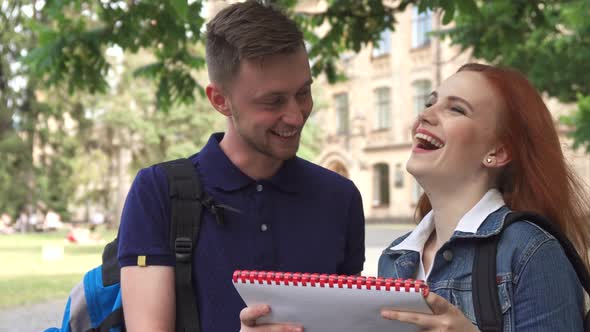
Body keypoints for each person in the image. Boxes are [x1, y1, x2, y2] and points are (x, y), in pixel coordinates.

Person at [240, 63, 590, 331]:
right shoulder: (395, 258)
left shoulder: (532, 252)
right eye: (430, 102)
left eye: (456, 109)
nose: (424, 115)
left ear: (497, 152)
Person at [117, 1, 365, 331]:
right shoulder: (158, 192)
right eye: (273, 101)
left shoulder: (340, 197)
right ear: (220, 100)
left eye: (303, 92)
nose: (295, 115)